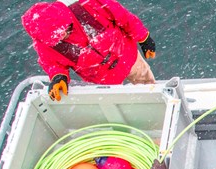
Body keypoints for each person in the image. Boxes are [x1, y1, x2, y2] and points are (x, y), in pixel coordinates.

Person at [22, 0, 157, 102]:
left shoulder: (89, 4)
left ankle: (154, 99)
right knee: (117, 101)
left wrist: (143, 38)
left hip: (128, 56)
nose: (64, 37)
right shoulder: (44, 44)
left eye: (65, 30)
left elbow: (123, 17)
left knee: (147, 84)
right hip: (103, 79)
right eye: (58, 38)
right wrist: (58, 77)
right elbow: (52, 64)